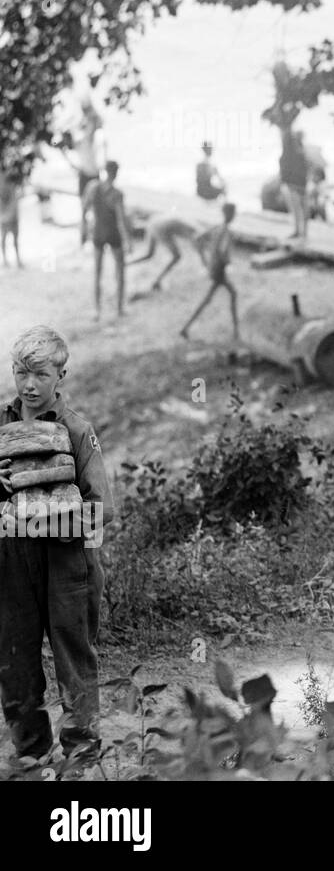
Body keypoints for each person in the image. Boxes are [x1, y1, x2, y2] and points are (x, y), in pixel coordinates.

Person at [0, 325, 111, 765]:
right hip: (10, 557)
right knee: (13, 651)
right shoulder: (1, 425)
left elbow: (101, 509)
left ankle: (82, 751)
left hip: (68, 558)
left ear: (61, 375)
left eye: (40, 374)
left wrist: (58, 514)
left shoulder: (78, 431)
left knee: (72, 651)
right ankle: (31, 749)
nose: (29, 385)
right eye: (20, 372)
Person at [181, 203, 239, 342]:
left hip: (215, 267)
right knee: (223, 296)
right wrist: (224, 260)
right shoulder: (226, 231)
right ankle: (236, 329)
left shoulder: (217, 228)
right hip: (219, 269)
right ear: (230, 214)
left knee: (226, 295)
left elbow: (198, 239)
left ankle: (236, 328)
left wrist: (205, 258)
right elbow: (222, 251)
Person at [81, 161, 130, 321]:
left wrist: (83, 230)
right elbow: (122, 219)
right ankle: (119, 309)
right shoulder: (117, 194)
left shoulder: (93, 187)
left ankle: (97, 310)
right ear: (116, 173)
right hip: (112, 233)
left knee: (98, 273)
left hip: (98, 233)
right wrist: (128, 240)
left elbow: (84, 208)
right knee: (120, 272)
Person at [128, 215, 197, 292]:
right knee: (177, 256)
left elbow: (149, 254)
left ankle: (126, 264)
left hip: (158, 224)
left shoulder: (151, 225)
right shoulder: (194, 231)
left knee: (153, 255)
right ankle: (157, 281)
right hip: (163, 226)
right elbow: (195, 242)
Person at [278, 127, 309, 241]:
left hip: (297, 184)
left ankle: (300, 231)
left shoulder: (295, 152)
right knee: (300, 208)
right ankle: (302, 232)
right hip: (299, 184)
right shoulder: (300, 151)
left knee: (298, 208)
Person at [0, 170, 21, 269]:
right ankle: (6, 260)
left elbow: (15, 204)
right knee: (5, 239)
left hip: (11, 218)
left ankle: (17, 260)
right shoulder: (6, 189)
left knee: (14, 240)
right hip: (6, 219)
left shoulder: (12, 188)